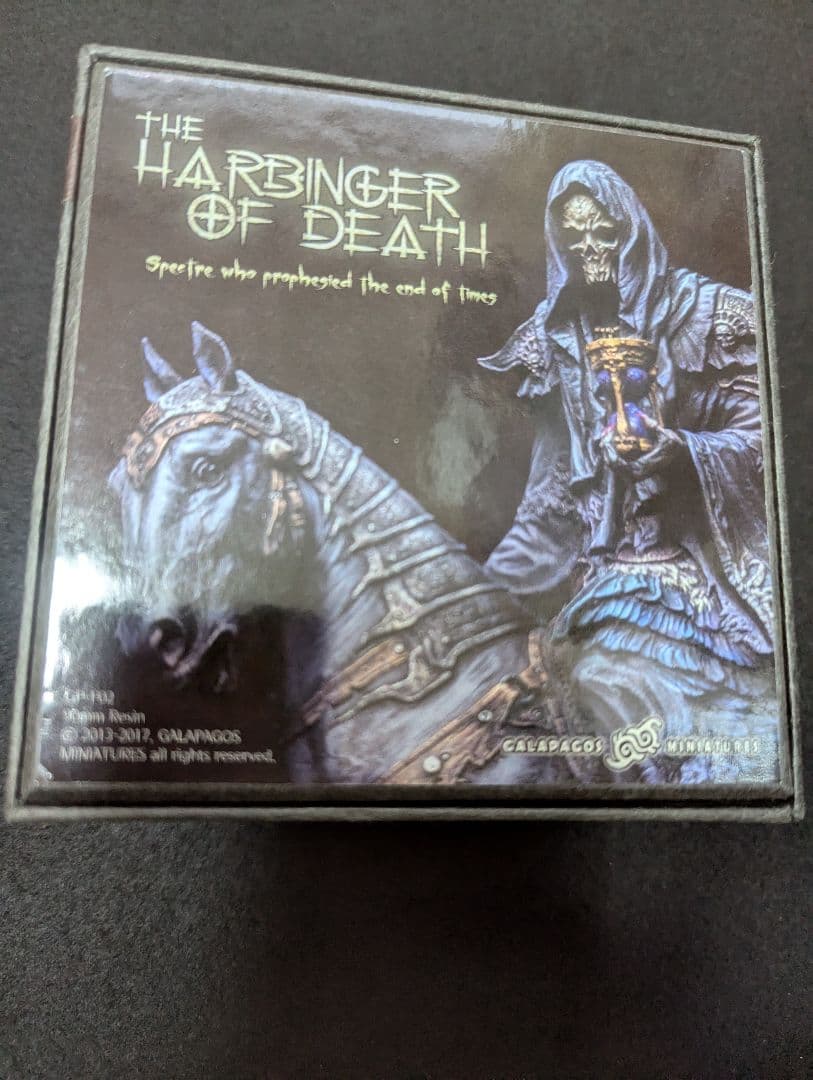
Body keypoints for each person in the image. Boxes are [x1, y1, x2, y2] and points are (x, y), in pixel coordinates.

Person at [478, 159, 777, 782]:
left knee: (610, 680)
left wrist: (683, 452)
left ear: (630, 227)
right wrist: (476, 600)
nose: (590, 249)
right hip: (601, 579)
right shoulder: (556, 340)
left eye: (603, 231)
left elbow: (764, 446)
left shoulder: (710, 314)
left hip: (699, 579)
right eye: (573, 236)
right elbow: (550, 504)